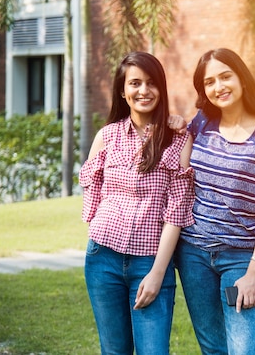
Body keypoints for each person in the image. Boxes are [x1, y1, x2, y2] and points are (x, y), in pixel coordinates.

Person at [175, 48, 255, 355]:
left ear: (241, 78)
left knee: (242, 351)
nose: (219, 87)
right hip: (193, 254)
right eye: (209, 82)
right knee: (213, 349)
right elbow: (181, 173)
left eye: (225, 76)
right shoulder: (200, 124)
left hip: (241, 258)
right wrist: (175, 126)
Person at [79, 51, 195, 355]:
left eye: (151, 83)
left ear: (162, 89)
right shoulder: (107, 136)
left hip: (151, 261)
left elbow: (177, 213)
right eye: (135, 83)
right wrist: (97, 232)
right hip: (102, 260)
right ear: (123, 91)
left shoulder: (178, 140)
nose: (143, 91)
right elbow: (92, 192)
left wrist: (157, 273)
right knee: (114, 351)